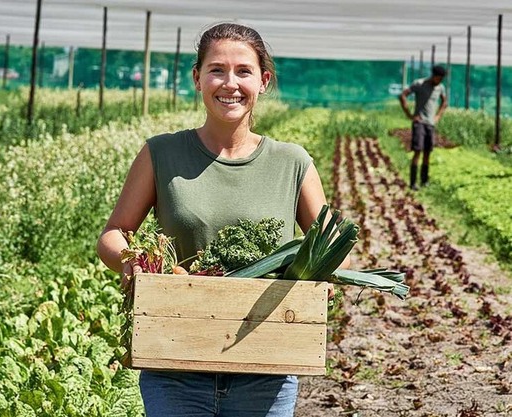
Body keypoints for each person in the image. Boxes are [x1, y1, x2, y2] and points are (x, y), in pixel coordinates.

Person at [97, 22, 347, 417]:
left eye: (243, 71)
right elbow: (114, 233)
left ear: (263, 81)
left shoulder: (292, 163)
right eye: (217, 70)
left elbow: (334, 246)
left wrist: (321, 275)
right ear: (197, 78)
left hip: (264, 365)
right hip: (174, 362)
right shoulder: (161, 154)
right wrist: (130, 260)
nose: (230, 83)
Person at [399, 65, 448, 190]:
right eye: (438, 78)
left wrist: (438, 116)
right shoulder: (419, 84)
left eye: (441, 79)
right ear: (433, 75)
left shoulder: (440, 87)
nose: (439, 81)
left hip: (430, 124)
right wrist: (409, 114)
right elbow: (403, 95)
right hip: (419, 123)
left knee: (427, 152)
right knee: (417, 151)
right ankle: (413, 182)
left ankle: (424, 181)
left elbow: (444, 102)